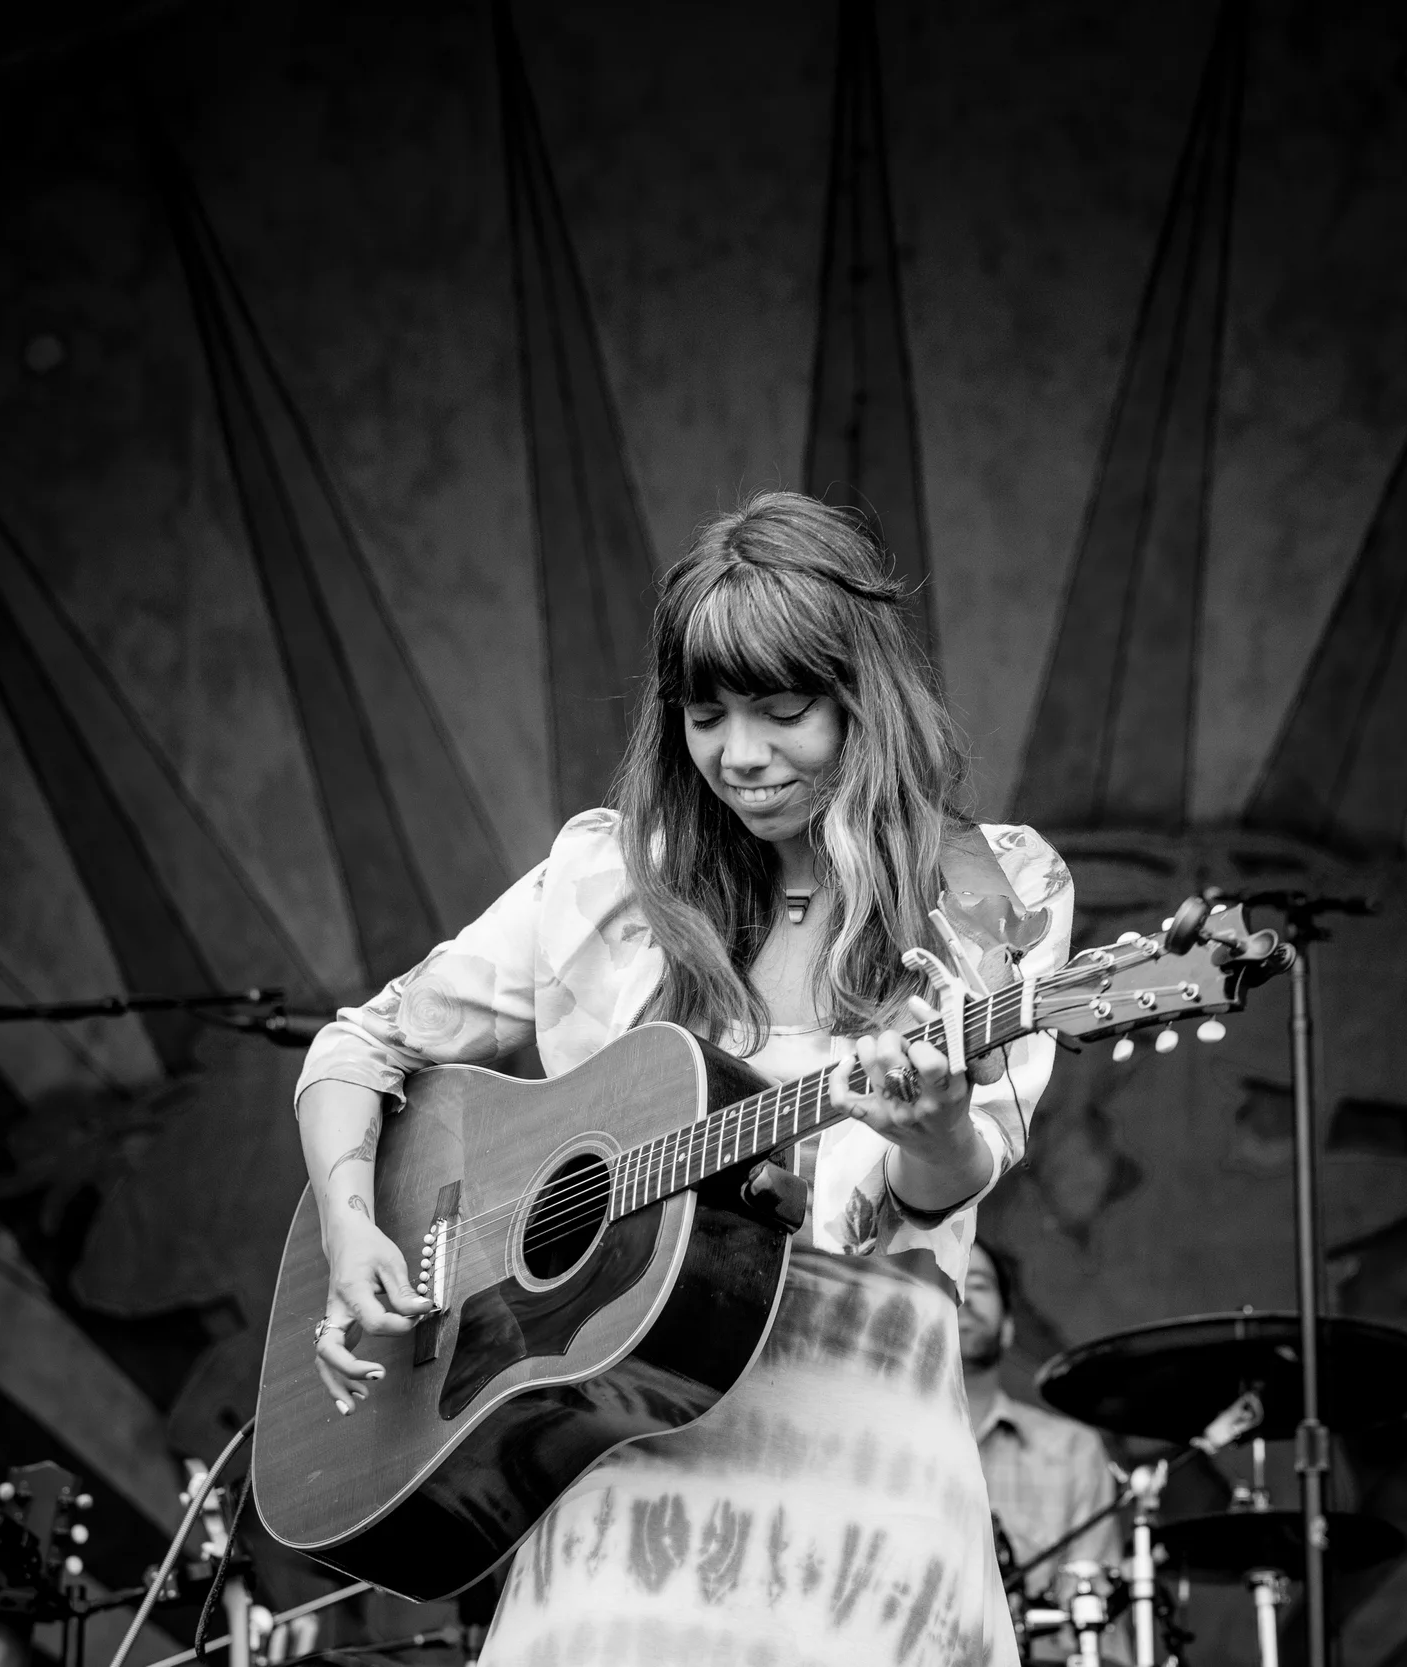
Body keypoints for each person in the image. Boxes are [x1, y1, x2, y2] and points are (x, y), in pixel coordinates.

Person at [292, 490, 1074, 1667]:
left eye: (782, 710)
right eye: (706, 715)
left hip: (867, 1505)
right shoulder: (607, 880)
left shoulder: (988, 891)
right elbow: (361, 1046)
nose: (739, 755)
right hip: (616, 1505)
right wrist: (352, 1227)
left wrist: (932, 1128)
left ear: (863, 696)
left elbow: (941, 1186)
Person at [963, 1239, 1128, 1661]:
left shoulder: (1071, 1448)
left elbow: (1093, 1634)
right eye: (947, 1285)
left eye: (977, 1284)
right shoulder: (875, 1446)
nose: (962, 1296)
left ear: (1008, 1328)